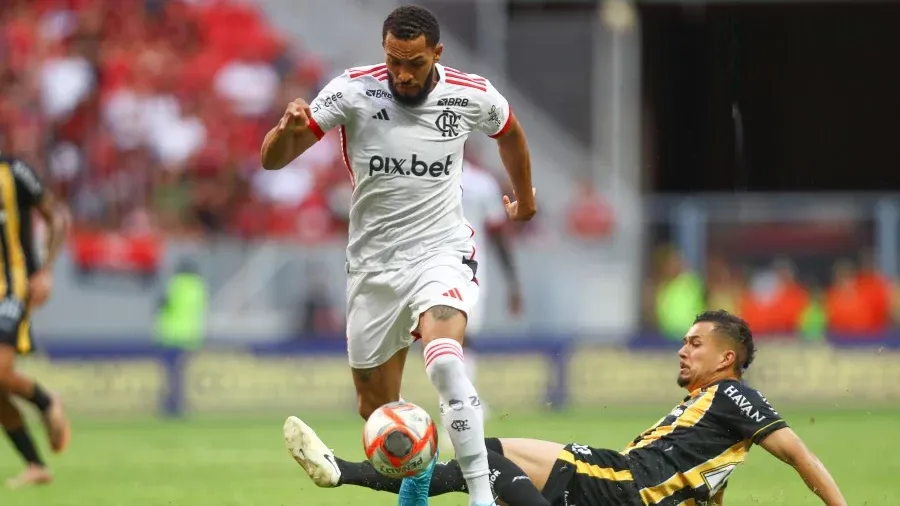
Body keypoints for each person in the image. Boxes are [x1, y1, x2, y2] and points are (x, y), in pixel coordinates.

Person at [261, 5, 536, 506]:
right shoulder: (352, 91)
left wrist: (525, 198)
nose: (403, 74)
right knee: (378, 412)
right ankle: (418, 488)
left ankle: (482, 497)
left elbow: (511, 133)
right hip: (373, 267)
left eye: (414, 62)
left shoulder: (470, 93)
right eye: (393, 61)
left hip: (441, 252)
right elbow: (273, 160)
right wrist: (285, 130)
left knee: (446, 362)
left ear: (437, 53)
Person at [283, 310, 848, 506]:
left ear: (727, 358)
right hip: (621, 480)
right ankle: (341, 472)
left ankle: (344, 472)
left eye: (695, 344)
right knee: (482, 456)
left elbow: (800, 456)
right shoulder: (707, 412)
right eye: (683, 341)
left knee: (486, 457)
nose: (683, 350)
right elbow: (704, 482)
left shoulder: (733, 396)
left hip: (622, 484)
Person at [436, 158, 522, 453]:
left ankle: (459, 414)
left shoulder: (426, 170)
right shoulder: (482, 182)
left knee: (456, 342)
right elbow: (498, 235)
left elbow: (497, 233)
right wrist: (513, 282)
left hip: (450, 270)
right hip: (469, 271)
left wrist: (513, 283)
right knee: (455, 343)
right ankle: (465, 407)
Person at [0, 154, 71, 488]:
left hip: (12, 288)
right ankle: (35, 464)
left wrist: (46, 270)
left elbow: (56, 216)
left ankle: (45, 401)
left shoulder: (15, 172)